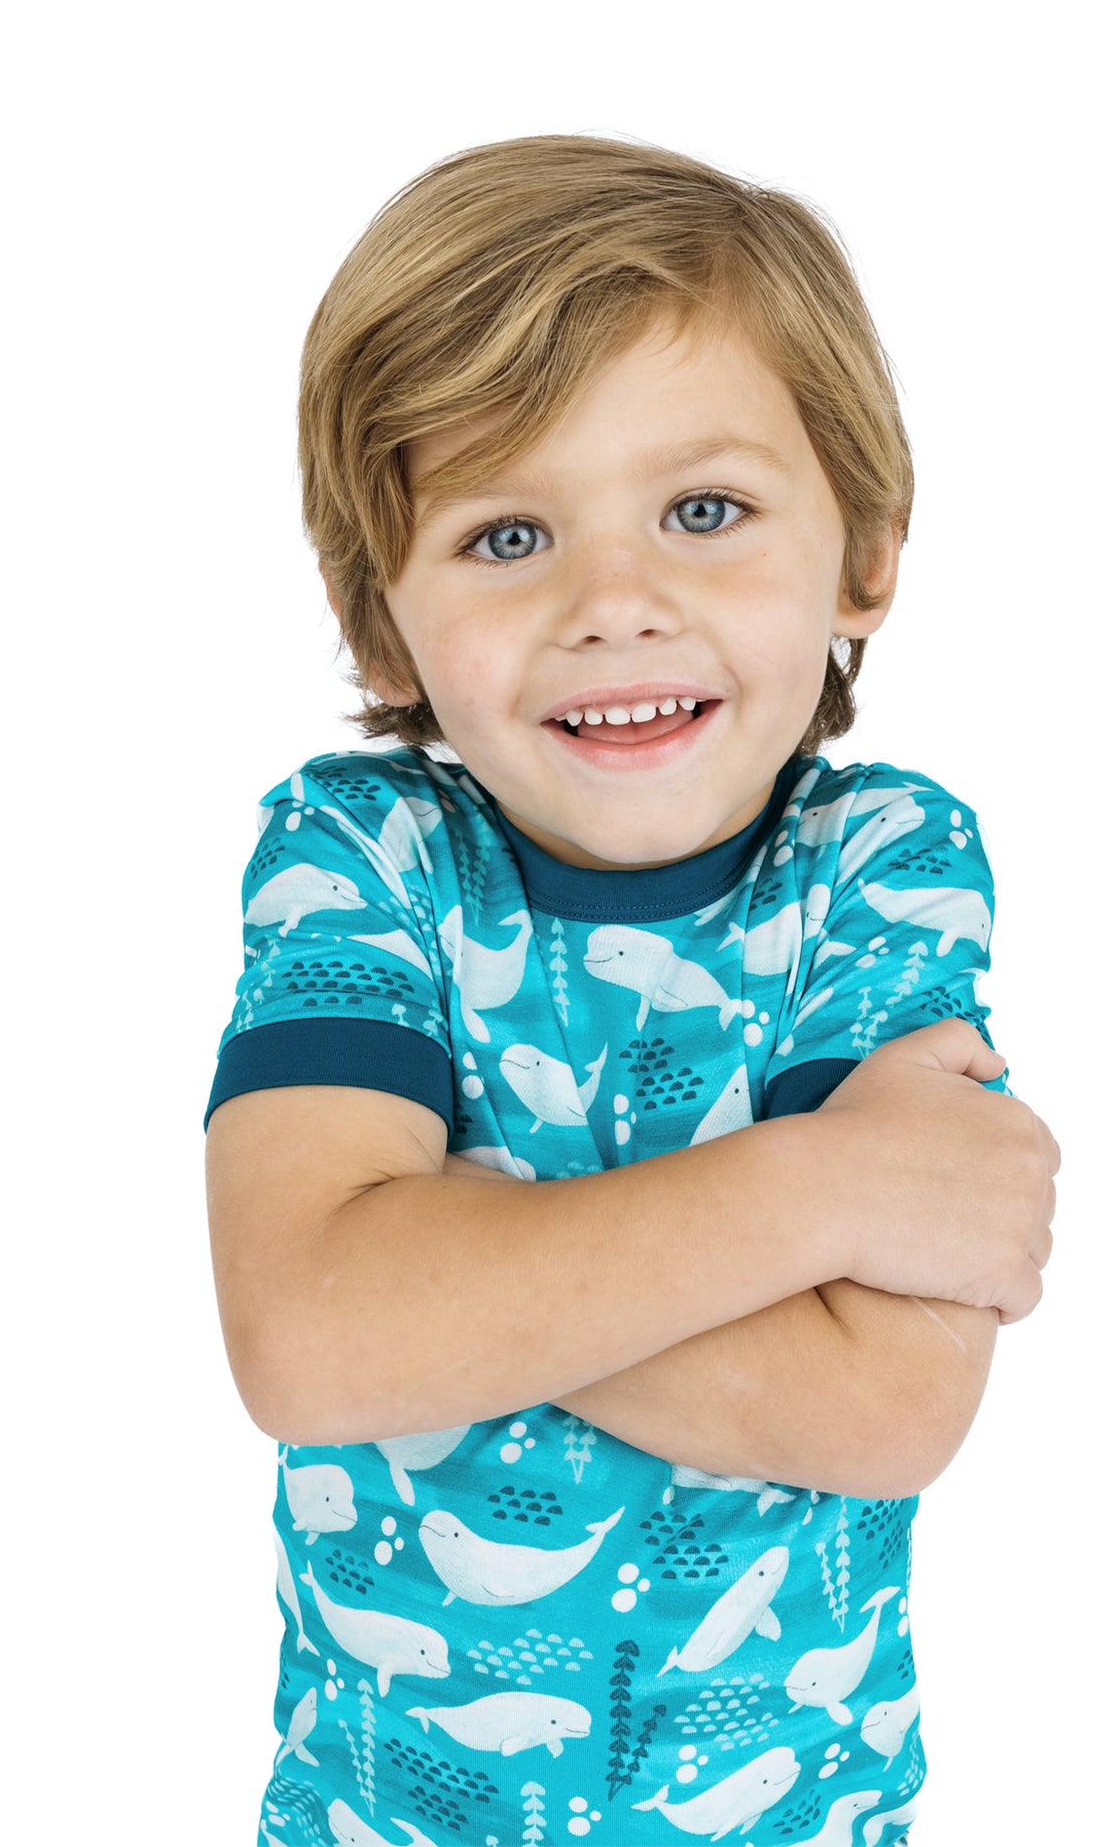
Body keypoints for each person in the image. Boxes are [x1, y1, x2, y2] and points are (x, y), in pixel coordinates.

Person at [202, 133, 1061, 1847]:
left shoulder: (881, 864)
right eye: (505, 530)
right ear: (382, 630)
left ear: (863, 555)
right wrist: (820, 1188)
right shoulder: (355, 853)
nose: (614, 604)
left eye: (703, 510)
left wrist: (448, 1260)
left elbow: (882, 1406)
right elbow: (307, 1336)